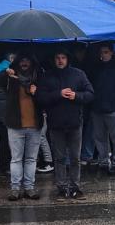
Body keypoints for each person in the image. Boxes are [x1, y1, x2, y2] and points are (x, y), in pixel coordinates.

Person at [37, 47, 94, 198]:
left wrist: (76, 95)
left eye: (63, 57)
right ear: (54, 59)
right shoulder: (47, 76)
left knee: (75, 158)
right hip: (56, 124)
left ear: (68, 59)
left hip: (75, 122)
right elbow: (40, 98)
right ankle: (61, 187)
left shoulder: (78, 74)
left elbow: (90, 94)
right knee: (59, 158)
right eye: (58, 57)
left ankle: (75, 186)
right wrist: (58, 94)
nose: (60, 60)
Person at [0, 52, 42, 200]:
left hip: (35, 125)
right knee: (16, 159)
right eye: (22, 60)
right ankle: (15, 189)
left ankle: (29, 188)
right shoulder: (10, 76)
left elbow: (47, 96)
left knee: (31, 159)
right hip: (15, 125)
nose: (24, 63)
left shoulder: (39, 76)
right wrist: (5, 72)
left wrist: (37, 92)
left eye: (27, 60)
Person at [90, 43, 115, 173]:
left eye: (106, 52)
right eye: (102, 52)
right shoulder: (96, 67)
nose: (103, 55)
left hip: (113, 109)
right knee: (100, 138)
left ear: (112, 52)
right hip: (97, 109)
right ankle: (103, 162)